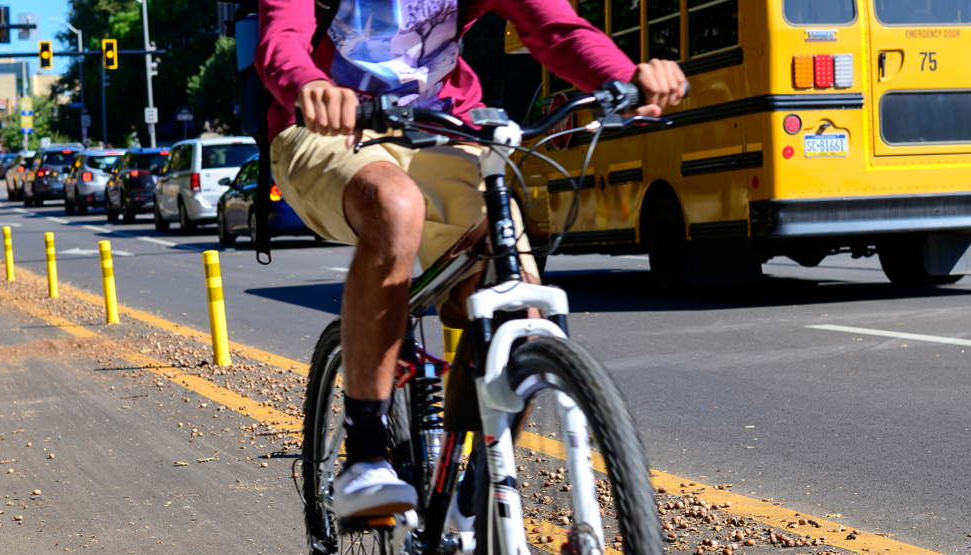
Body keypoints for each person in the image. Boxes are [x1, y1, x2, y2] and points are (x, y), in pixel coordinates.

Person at [255, 0, 687, 519]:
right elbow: (281, 37)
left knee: (520, 306)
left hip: (442, 127)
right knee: (394, 207)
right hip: (324, 128)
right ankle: (367, 457)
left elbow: (553, 25)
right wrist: (309, 84)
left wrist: (627, 77)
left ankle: (477, 488)